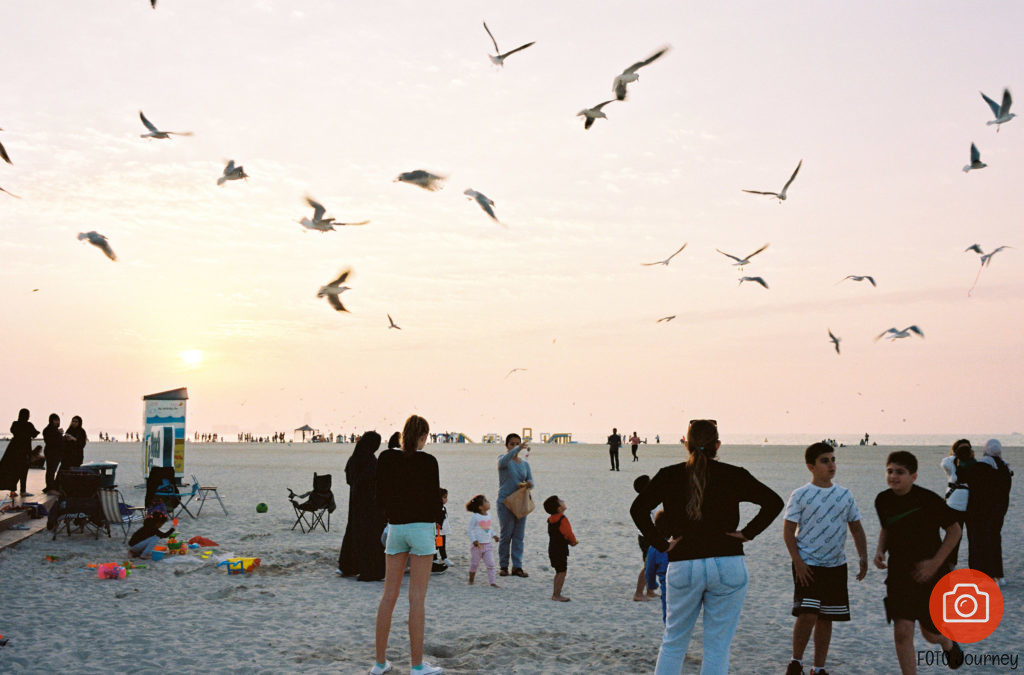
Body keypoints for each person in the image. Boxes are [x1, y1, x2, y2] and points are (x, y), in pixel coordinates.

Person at [630, 419, 783, 675]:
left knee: (674, 642)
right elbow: (773, 502)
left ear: (686, 444)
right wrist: (747, 533)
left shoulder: (669, 475)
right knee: (717, 647)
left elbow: (638, 509)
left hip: (683, 563)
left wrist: (660, 544)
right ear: (718, 445)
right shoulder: (734, 474)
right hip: (727, 563)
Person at [873, 451, 964, 674]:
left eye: (900, 472)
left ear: (913, 476)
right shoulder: (882, 500)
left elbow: (955, 531)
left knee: (930, 635)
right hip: (899, 574)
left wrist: (934, 563)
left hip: (931, 575)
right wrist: (880, 550)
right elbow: (888, 527)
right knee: (902, 633)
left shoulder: (928, 500)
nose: (893, 476)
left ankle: (947, 643)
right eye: (890, 471)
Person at [783, 442, 868, 675]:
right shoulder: (800, 495)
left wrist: (863, 557)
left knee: (826, 617)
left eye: (833, 459)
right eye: (824, 460)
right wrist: (798, 561)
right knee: (807, 614)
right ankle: (796, 662)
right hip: (808, 564)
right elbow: (788, 531)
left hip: (835, 565)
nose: (831, 465)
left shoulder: (844, 494)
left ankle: (818, 668)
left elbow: (856, 528)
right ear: (811, 466)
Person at [372, 415, 444, 675]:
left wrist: (392, 515)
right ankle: (416, 666)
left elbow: (379, 495)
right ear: (422, 436)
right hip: (421, 529)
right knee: (417, 600)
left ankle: (380, 663)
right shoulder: (428, 461)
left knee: (388, 597)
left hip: (396, 528)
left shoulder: (386, 458)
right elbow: (435, 499)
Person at [962, 439, 1013, 584]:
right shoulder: (1004, 467)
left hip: (979, 512)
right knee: (995, 541)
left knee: (979, 543)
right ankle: (999, 575)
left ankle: (983, 575)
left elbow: (970, 485)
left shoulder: (980, 466)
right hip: (998, 512)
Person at [337, 431, 386, 581]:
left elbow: (349, 479)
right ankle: (369, 569)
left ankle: (348, 566)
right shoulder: (370, 461)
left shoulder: (353, 459)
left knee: (354, 532)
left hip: (356, 502)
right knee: (370, 536)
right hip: (370, 504)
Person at [497, 432, 534, 578]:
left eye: (517, 444)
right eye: (511, 444)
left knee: (519, 536)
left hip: (521, 502)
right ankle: (503, 566)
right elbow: (503, 462)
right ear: (506, 446)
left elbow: (531, 481)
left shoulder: (525, 464)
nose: (515, 446)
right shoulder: (503, 459)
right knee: (506, 534)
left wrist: (529, 484)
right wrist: (516, 450)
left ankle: (517, 567)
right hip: (505, 501)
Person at [940, 439, 974, 569]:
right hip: (954, 504)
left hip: (969, 504)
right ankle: (950, 565)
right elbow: (943, 463)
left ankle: (973, 566)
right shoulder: (951, 463)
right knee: (954, 537)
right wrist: (956, 454)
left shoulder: (973, 464)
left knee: (972, 537)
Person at [544, 494, 578, 602]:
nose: (563, 501)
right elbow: (568, 533)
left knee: (558, 571)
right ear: (559, 508)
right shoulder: (562, 519)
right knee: (562, 572)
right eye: (561, 501)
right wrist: (573, 542)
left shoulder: (550, 519)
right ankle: (556, 594)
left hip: (552, 548)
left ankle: (556, 593)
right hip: (560, 549)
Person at [632, 474, 660, 602]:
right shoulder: (647, 502)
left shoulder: (647, 499)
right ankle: (638, 593)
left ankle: (649, 591)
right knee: (648, 565)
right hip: (647, 538)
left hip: (646, 536)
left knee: (652, 564)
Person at [1, 408, 39, 498]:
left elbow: (12, 431)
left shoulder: (15, 424)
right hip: (24, 451)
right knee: (23, 471)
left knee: (13, 471)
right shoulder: (28, 425)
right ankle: (23, 491)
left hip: (13, 451)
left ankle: (12, 491)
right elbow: (35, 434)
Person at [465, 494, 500, 587]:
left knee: (491, 564)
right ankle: (471, 580)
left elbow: (488, 527)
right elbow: (469, 530)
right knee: (474, 564)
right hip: (477, 546)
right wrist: (474, 540)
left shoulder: (489, 515)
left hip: (488, 545)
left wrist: (494, 535)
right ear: (480, 507)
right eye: (486, 501)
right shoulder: (475, 517)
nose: (488, 502)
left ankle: (492, 582)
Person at [645, 510, 670, 623]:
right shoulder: (679, 543)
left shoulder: (654, 548)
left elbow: (649, 571)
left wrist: (651, 585)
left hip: (667, 587)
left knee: (668, 617)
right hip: (687, 584)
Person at [42, 414, 63, 494]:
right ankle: (50, 488)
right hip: (52, 453)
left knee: (51, 471)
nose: (58, 422)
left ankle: (50, 487)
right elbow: (52, 441)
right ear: (53, 420)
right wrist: (59, 433)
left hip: (53, 452)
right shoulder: (49, 430)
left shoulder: (51, 429)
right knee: (51, 471)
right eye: (57, 420)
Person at [435, 488, 452, 567]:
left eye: (446, 497)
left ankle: (444, 557)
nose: (446, 499)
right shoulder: (437, 508)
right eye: (444, 497)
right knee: (436, 545)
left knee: (442, 545)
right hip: (437, 531)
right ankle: (434, 559)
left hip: (442, 531)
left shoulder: (443, 508)